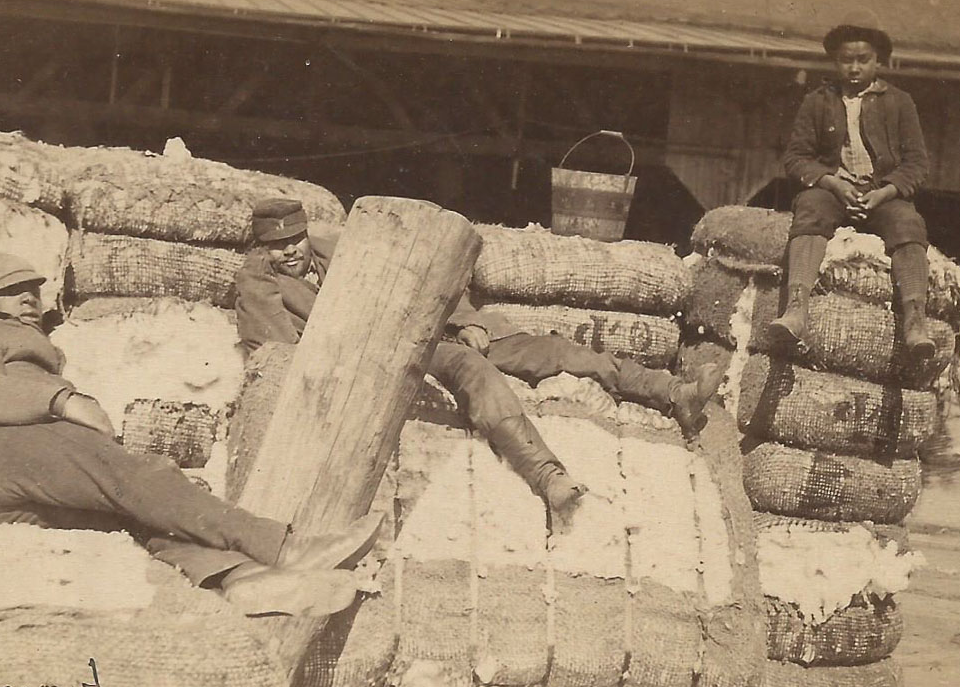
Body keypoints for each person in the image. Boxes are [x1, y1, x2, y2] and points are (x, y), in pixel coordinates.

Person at [0, 252, 381, 617]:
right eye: (8, 292)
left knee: (140, 518)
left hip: (19, 485)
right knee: (140, 477)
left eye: (31, 288)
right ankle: (283, 547)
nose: (27, 297)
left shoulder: (37, 344)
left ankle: (240, 578)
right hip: (2, 447)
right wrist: (63, 402)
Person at [234, 198, 723, 509]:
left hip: (431, 326)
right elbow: (277, 354)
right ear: (263, 249)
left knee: (552, 349)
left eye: (294, 239)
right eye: (276, 246)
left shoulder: (337, 248)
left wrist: (467, 319)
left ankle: (671, 390)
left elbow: (425, 278)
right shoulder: (260, 283)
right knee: (471, 368)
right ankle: (547, 474)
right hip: (377, 353)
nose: (289, 252)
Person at [775, 9, 936, 365]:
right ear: (835, 63)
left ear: (878, 63)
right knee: (810, 209)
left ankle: (914, 321)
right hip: (833, 191)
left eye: (863, 60)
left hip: (882, 194)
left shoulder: (899, 102)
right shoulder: (818, 101)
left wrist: (885, 192)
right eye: (846, 60)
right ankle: (796, 309)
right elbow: (796, 157)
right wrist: (832, 182)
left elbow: (917, 164)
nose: (854, 68)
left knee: (908, 224)